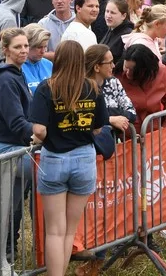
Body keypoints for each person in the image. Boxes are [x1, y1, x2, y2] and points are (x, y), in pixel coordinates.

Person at [28, 40, 108, 276]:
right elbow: (97, 128)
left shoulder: (47, 88)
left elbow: (39, 129)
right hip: (84, 158)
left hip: (55, 158)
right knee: (70, 230)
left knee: (55, 230)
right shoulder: (92, 88)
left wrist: (45, 136)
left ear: (58, 59)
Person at [118, 43, 166, 131]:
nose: (128, 73)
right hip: (127, 134)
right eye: (126, 67)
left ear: (145, 68)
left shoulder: (160, 72)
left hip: (154, 133)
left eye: (133, 70)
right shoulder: (117, 76)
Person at [98, 0, 134, 64]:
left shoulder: (127, 35)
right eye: (107, 11)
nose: (108, 16)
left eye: (112, 13)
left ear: (123, 16)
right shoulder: (111, 29)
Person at [22, 24, 54, 93]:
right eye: (39, 47)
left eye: (45, 47)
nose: (43, 51)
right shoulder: (19, 67)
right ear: (28, 46)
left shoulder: (48, 64)